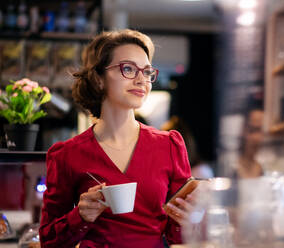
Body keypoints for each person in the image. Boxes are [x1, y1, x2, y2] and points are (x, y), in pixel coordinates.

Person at [39, 29, 192, 248]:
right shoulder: (67, 154)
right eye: (128, 69)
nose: (141, 80)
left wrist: (185, 220)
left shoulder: (169, 145)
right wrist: (79, 216)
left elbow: (177, 237)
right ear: (98, 79)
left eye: (147, 72)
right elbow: (49, 242)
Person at [236, 108, 264, 179]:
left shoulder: (263, 169)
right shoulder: (231, 168)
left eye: (261, 131)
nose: (258, 138)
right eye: (253, 130)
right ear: (243, 131)